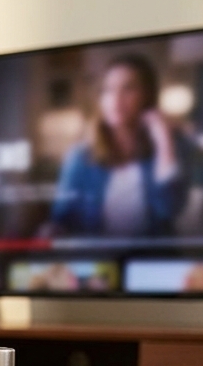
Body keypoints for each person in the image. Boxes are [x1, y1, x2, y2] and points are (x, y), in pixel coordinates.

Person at [44, 53, 193, 237]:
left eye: (128, 89)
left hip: (148, 262)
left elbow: (169, 209)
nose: (116, 98)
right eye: (108, 90)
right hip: (98, 262)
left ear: (147, 96)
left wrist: (164, 141)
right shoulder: (80, 156)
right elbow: (61, 217)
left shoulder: (169, 146)